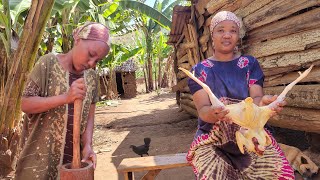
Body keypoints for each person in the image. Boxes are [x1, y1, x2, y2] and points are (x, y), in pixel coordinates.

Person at [186, 11, 294, 179]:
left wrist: (265, 103)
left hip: (251, 133)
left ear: (238, 36)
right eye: (221, 30)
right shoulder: (199, 71)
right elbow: (203, 110)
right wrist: (214, 114)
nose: (227, 35)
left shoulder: (249, 64)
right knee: (215, 173)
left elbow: (256, 99)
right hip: (213, 140)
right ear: (212, 35)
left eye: (233, 31)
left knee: (277, 173)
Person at [15, 22, 110, 179]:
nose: (91, 63)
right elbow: (25, 104)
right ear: (78, 40)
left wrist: (87, 146)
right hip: (38, 163)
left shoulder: (92, 78)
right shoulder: (48, 64)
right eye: (91, 54)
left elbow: (89, 118)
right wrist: (65, 98)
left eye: (97, 61)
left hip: (73, 167)